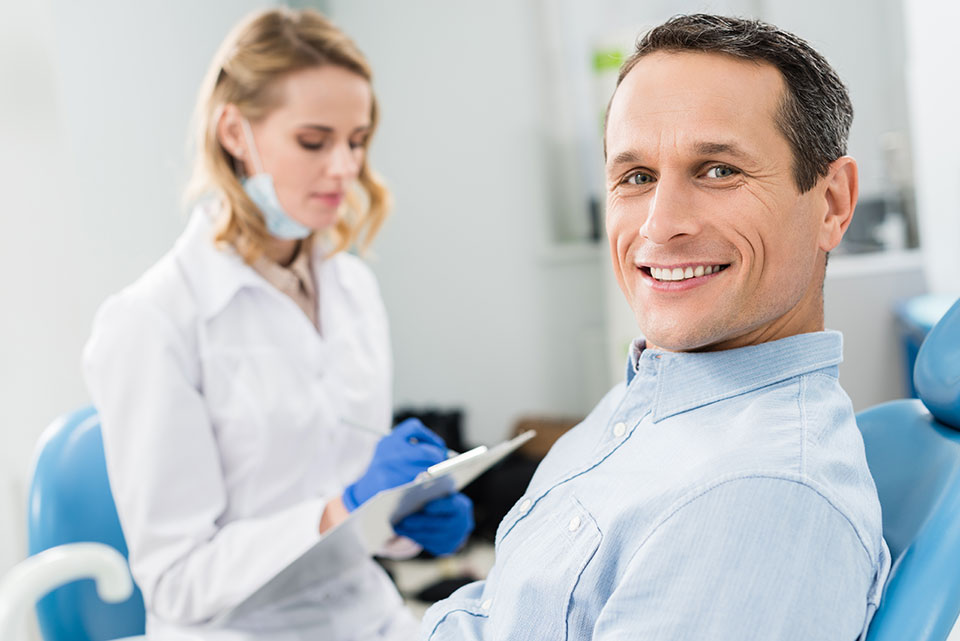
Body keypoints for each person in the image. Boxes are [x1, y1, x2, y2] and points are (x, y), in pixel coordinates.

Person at [421, 14, 889, 641]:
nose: (660, 225)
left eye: (718, 170)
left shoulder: (754, 499)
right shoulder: (649, 398)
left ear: (831, 203)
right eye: (636, 177)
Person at [83, 8, 472, 640]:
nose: (345, 168)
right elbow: (177, 582)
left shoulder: (352, 288)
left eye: (357, 140)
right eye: (314, 142)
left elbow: (350, 514)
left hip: (366, 614)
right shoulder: (152, 320)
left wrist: (402, 519)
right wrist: (338, 509)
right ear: (235, 131)